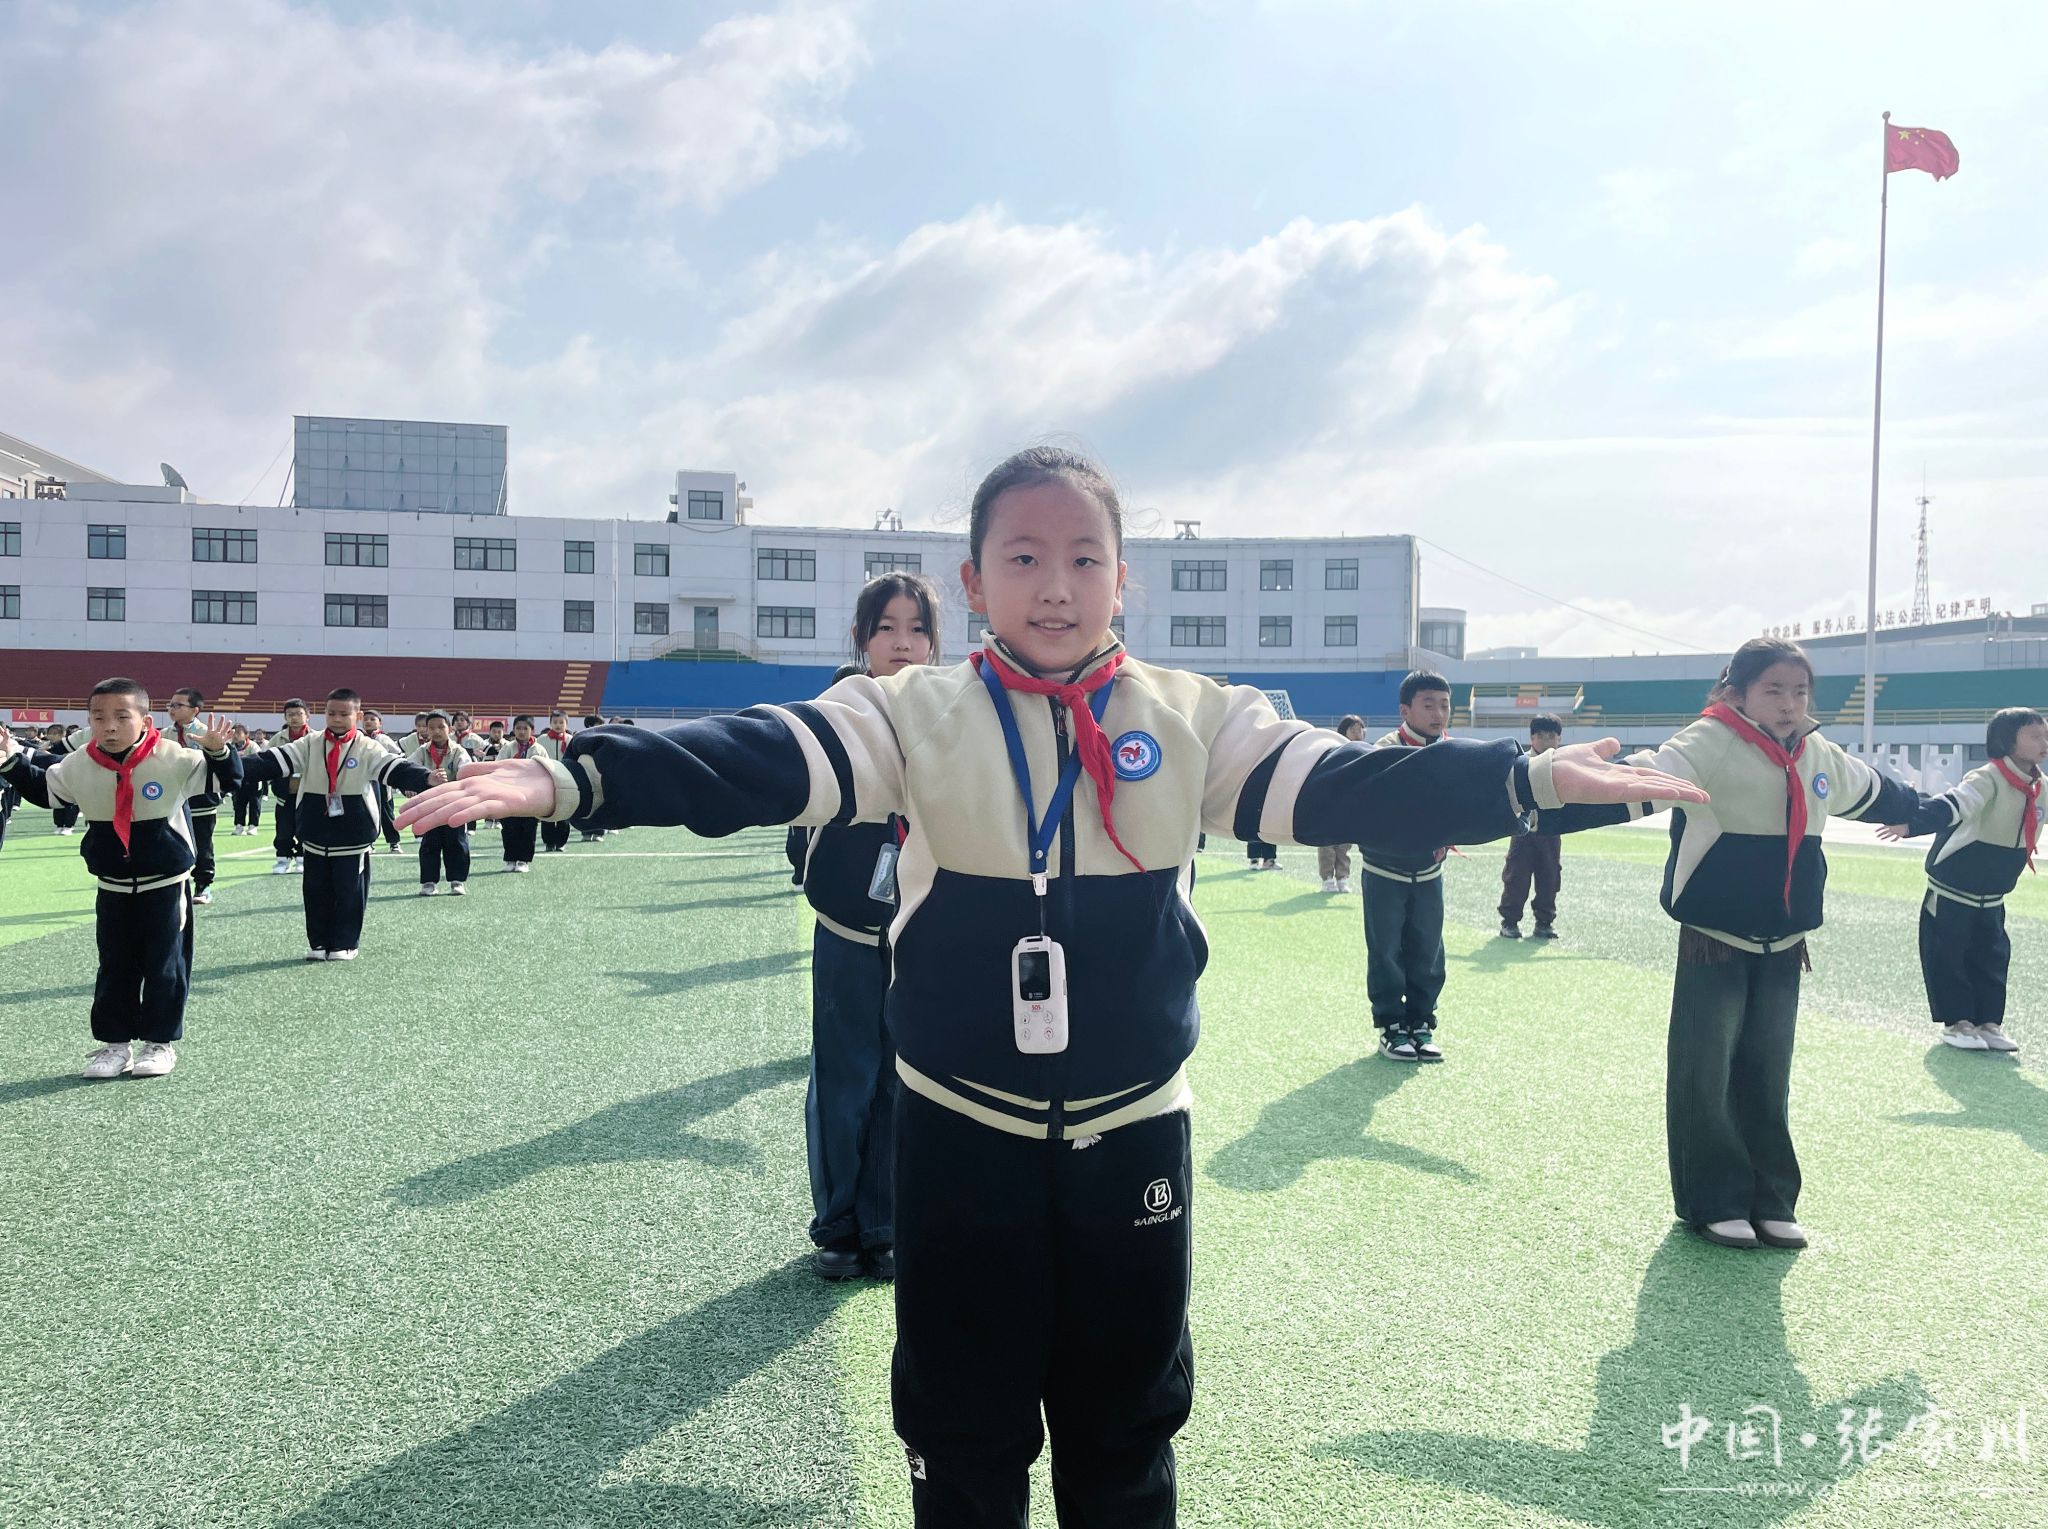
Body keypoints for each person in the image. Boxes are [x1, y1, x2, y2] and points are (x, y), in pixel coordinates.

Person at [398, 444, 1699, 1528]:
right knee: (962, 1434)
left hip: (1137, 1127)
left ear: (1123, 577)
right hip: (959, 1129)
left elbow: (1349, 785)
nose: (1057, 585)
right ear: (974, 582)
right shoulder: (912, 711)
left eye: (1083, 558)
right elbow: (762, 754)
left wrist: (1520, 779)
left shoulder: (1195, 714)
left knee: (1126, 1427)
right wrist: (580, 776)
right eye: (1024, 558)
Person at [1545, 637, 1944, 1253]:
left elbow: (1877, 793)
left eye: (1800, 691)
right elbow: (1639, 779)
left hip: (1786, 939)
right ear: (1739, 691)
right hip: (1716, 936)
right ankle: (1714, 1200)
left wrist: (1935, 811)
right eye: (1774, 690)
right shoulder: (1708, 740)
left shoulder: (1818, 751)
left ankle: (1772, 1198)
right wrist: (1543, 799)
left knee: (1767, 1072)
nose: (1789, 704)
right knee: (1705, 1071)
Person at [791, 572, 943, 1282]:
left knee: (902, 1079)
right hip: (850, 926)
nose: (903, 643)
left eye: (917, 629)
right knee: (845, 1074)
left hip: (922, 931)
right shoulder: (838, 711)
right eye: (887, 627)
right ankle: (837, 1224)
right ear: (861, 639)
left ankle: (884, 1223)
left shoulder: (952, 714)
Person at [0, 680, 237, 1078]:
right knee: (114, 966)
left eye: (121, 717)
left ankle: (159, 1043)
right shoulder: (79, 763)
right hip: (112, 886)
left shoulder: (173, 757)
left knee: (165, 965)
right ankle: (115, 1045)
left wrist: (218, 751)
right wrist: (9, 760)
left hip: (165, 884)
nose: (109, 726)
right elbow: (46, 791)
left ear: (145, 720)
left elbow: (224, 781)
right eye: (99, 717)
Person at [1886, 705, 2046, 1055]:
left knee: (1992, 955)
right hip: (1954, 888)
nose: (2044, 741)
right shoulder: (1988, 778)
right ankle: (1957, 1021)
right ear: (2007, 741)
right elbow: (1952, 805)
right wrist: (1912, 824)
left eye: (2045, 734)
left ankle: (1989, 1022)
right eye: (2035, 735)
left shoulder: (2039, 786)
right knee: (1948, 954)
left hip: (1993, 893)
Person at [241, 688, 435, 961]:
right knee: (315, 890)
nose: (337, 719)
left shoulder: (367, 747)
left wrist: (427, 778)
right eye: (331, 713)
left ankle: (345, 943)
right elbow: (270, 762)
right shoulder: (310, 743)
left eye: (344, 714)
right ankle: (318, 942)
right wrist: (227, 764)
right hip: (314, 830)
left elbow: (395, 768)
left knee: (349, 892)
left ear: (358, 715)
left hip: (353, 834)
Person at [1364, 671, 1456, 1062]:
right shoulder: (1384, 750)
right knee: (1386, 951)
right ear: (1405, 710)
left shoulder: (1455, 751)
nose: (1439, 713)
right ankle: (1390, 1027)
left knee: (1429, 950)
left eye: (1445, 704)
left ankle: (1421, 1023)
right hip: (1385, 870)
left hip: (1430, 873)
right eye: (1428, 704)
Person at [1498, 712, 1566, 939]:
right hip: (1523, 831)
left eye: (1552, 736)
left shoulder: (1564, 766)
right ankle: (1509, 921)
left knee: (1550, 877)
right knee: (1516, 875)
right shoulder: (1521, 763)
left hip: (1552, 832)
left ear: (1559, 739)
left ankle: (1544, 922)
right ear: (1532, 737)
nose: (1547, 741)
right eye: (1541, 735)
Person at [165, 688, 224, 905]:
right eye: (170, 705)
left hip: (202, 798)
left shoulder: (209, 734)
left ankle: (203, 884)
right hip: (173, 798)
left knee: (202, 844)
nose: (172, 709)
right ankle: (176, 885)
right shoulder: (165, 734)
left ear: (195, 710)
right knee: (173, 841)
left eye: (178, 705)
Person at [407, 712, 472, 895]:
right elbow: (409, 770)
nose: (436, 731)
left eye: (441, 727)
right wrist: (413, 785)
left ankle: (457, 881)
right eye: (432, 728)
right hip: (429, 805)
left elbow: (466, 771)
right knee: (430, 843)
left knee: (457, 843)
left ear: (449, 729)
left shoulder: (459, 751)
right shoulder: (421, 752)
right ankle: (429, 882)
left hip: (454, 805)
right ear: (426, 730)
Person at [1318, 715, 1366, 892]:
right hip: (1330, 801)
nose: (1357, 733)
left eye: (1360, 729)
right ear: (1343, 732)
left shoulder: (1368, 750)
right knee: (1326, 842)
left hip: (1351, 802)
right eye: (1352, 729)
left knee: (1344, 844)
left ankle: (1343, 877)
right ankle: (1327, 878)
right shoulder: (1333, 749)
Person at [495, 717, 550, 871]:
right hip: (509, 792)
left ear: (532, 730)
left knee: (528, 827)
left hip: (531, 794)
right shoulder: (507, 748)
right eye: (518, 728)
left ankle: (523, 860)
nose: (521, 731)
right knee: (509, 827)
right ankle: (510, 859)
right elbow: (498, 767)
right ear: (513, 730)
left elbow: (546, 770)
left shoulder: (539, 750)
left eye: (525, 728)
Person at [270, 699, 313, 873]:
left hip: (308, 790)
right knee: (284, 826)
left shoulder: (315, 738)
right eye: (290, 715)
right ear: (285, 717)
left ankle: (302, 857)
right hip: (284, 792)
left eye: (298, 714)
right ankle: (283, 858)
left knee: (307, 825)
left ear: (307, 716)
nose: (294, 718)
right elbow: (267, 761)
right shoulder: (277, 739)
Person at [362, 709, 405, 852]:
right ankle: (368, 842)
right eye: (366, 719)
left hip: (382, 780)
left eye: (372, 719)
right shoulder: (358, 738)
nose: (368, 721)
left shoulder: (384, 739)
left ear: (380, 723)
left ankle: (394, 842)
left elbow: (398, 754)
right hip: (365, 779)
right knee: (367, 811)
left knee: (386, 811)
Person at [539, 712, 575, 853]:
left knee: (565, 811)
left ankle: (560, 842)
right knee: (547, 811)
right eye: (555, 722)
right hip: (546, 779)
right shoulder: (542, 740)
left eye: (561, 722)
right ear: (550, 723)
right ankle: (548, 842)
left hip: (567, 780)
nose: (558, 725)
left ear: (566, 724)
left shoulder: (571, 740)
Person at [42, 724, 82, 835]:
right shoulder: (47, 745)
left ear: (62, 734)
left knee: (71, 801)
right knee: (57, 799)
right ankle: (59, 824)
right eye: (50, 733)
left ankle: (69, 826)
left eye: (54, 734)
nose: (51, 736)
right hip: (56, 776)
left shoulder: (71, 745)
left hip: (72, 775)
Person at [228, 724, 266, 835]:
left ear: (246, 735)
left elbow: (259, 762)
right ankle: (239, 826)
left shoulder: (253, 746)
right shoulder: (229, 746)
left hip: (253, 780)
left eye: (238, 733)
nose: (235, 736)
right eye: (233, 733)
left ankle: (253, 826)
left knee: (254, 803)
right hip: (238, 780)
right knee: (238, 803)